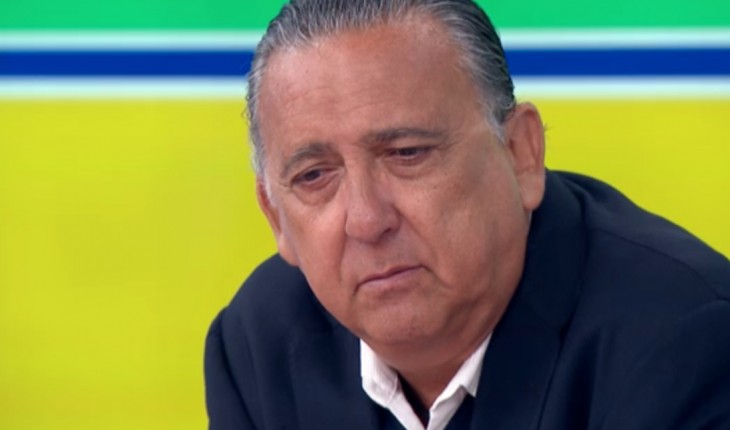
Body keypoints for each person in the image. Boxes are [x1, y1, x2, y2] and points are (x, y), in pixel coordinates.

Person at [204, 1, 730, 428]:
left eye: (407, 153)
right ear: (277, 219)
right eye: (315, 176)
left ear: (522, 154)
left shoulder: (684, 344)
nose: (366, 220)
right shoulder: (257, 345)